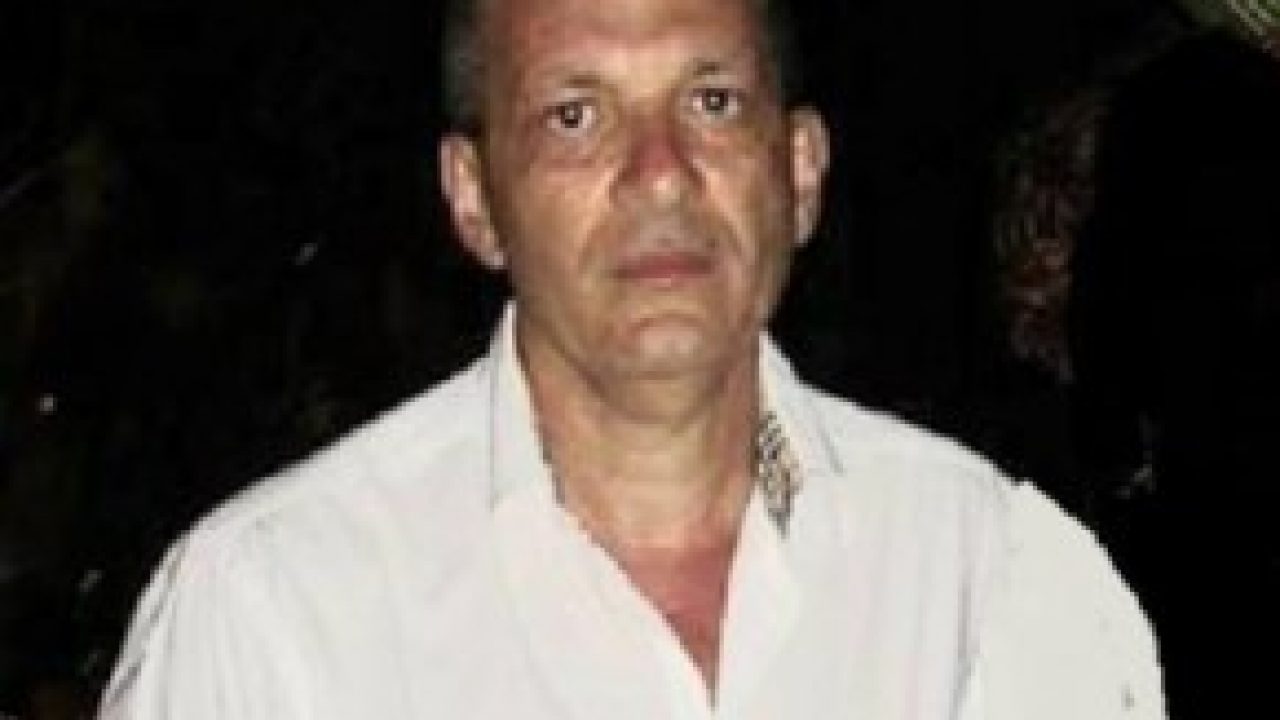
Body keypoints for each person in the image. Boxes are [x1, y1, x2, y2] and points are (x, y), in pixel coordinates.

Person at [98, 0, 1164, 717]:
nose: (660, 173)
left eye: (711, 102)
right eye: (575, 117)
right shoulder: (272, 617)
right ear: (474, 198)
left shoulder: (986, 578)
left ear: (799, 171)